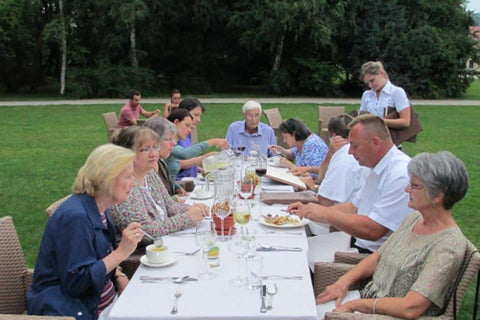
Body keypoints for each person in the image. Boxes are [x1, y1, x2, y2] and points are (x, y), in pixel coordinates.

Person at [316, 151, 469, 319]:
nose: (406, 189)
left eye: (415, 185)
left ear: (437, 196)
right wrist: (342, 283)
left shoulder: (448, 246)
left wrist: (354, 305)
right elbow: (378, 257)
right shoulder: (414, 218)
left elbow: (410, 308)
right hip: (365, 301)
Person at [28, 144, 144, 319]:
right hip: (78, 311)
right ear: (107, 179)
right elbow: (77, 283)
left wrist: (119, 275)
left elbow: (97, 257)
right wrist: (122, 252)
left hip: (107, 303)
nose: (133, 183)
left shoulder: (100, 208)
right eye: (128, 177)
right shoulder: (76, 218)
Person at [288, 114, 411, 254]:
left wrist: (325, 214)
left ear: (375, 142)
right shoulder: (376, 166)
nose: (350, 151)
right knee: (294, 246)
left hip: (373, 256)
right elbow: (354, 207)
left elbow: (374, 231)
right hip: (357, 243)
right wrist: (308, 210)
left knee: (297, 253)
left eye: (354, 145)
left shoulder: (399, 175)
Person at [109, 126, 209, 236]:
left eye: (155, 147)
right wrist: (188, 217)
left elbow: (170, 206)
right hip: (142, 251)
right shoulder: (124, 184)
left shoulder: (149, 174)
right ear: (127, 153)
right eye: (146, 149)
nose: (153, 154)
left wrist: (195, 209)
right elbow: (144, 232)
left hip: (164, 243)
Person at [301, 114, 370, 236]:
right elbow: (322, 178)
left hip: (333, 228)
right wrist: (331, 152)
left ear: (333, 136)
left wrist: (311, 192)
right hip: (344, 218)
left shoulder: (343, 161)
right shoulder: (344, 155)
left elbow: (324, 202)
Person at [166, 109, 227, 181]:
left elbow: (172, 179)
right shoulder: (166, 143)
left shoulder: (176, 142)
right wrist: (212, 142)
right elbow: (184, 154)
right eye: (187, 125)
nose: (189, 130)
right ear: (176, 122)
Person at [176, 97, 228, 178]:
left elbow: (189, 160)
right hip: (181, 182)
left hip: (192, 178)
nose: (199, 120)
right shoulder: (172, 136)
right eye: (196, 115)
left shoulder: (187, 133)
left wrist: (201, 170)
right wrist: (205, 157)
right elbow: (179, 163)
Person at [359, 61, 411, 133]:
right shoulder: (366, 95)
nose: (370, 85)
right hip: (369, 139)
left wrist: (379, 121)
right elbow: (361, 118)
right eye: (367, 83)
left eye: (372, 80)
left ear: (381, 73)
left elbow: (405, 122)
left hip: (390, 139)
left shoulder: (396, 92)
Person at [143, 117, 187, 197]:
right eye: (168, 139)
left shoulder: (161, 163)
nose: (173, 143)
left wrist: (176, 188)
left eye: (173, 139)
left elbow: (167, 183)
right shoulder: (145, 170)